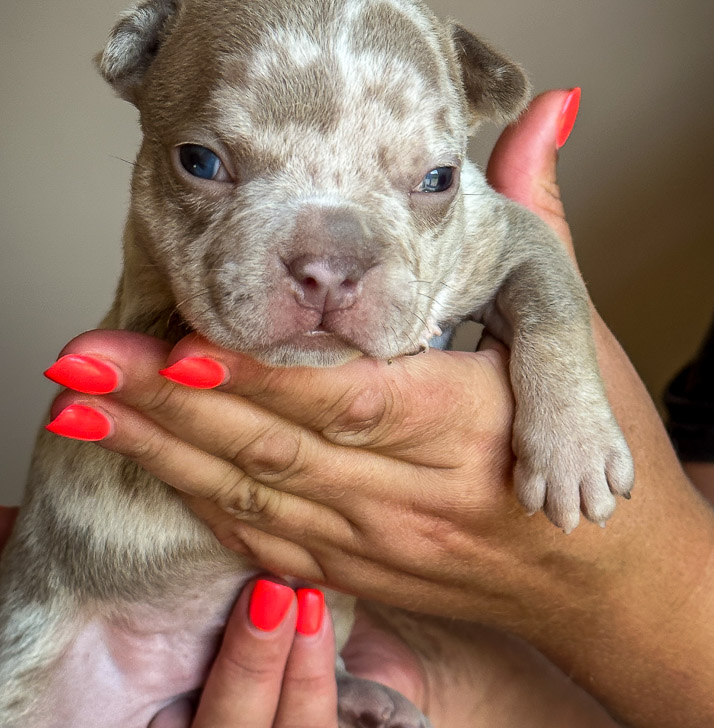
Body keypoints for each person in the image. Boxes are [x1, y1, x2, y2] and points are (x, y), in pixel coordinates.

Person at [9, 90, 714, 727]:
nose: (326, 270)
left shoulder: (468, 212)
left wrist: (570, 410)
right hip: (85, 623)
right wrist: (444, 677)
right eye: (207, 163)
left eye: (430, 181)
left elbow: (524, 253)